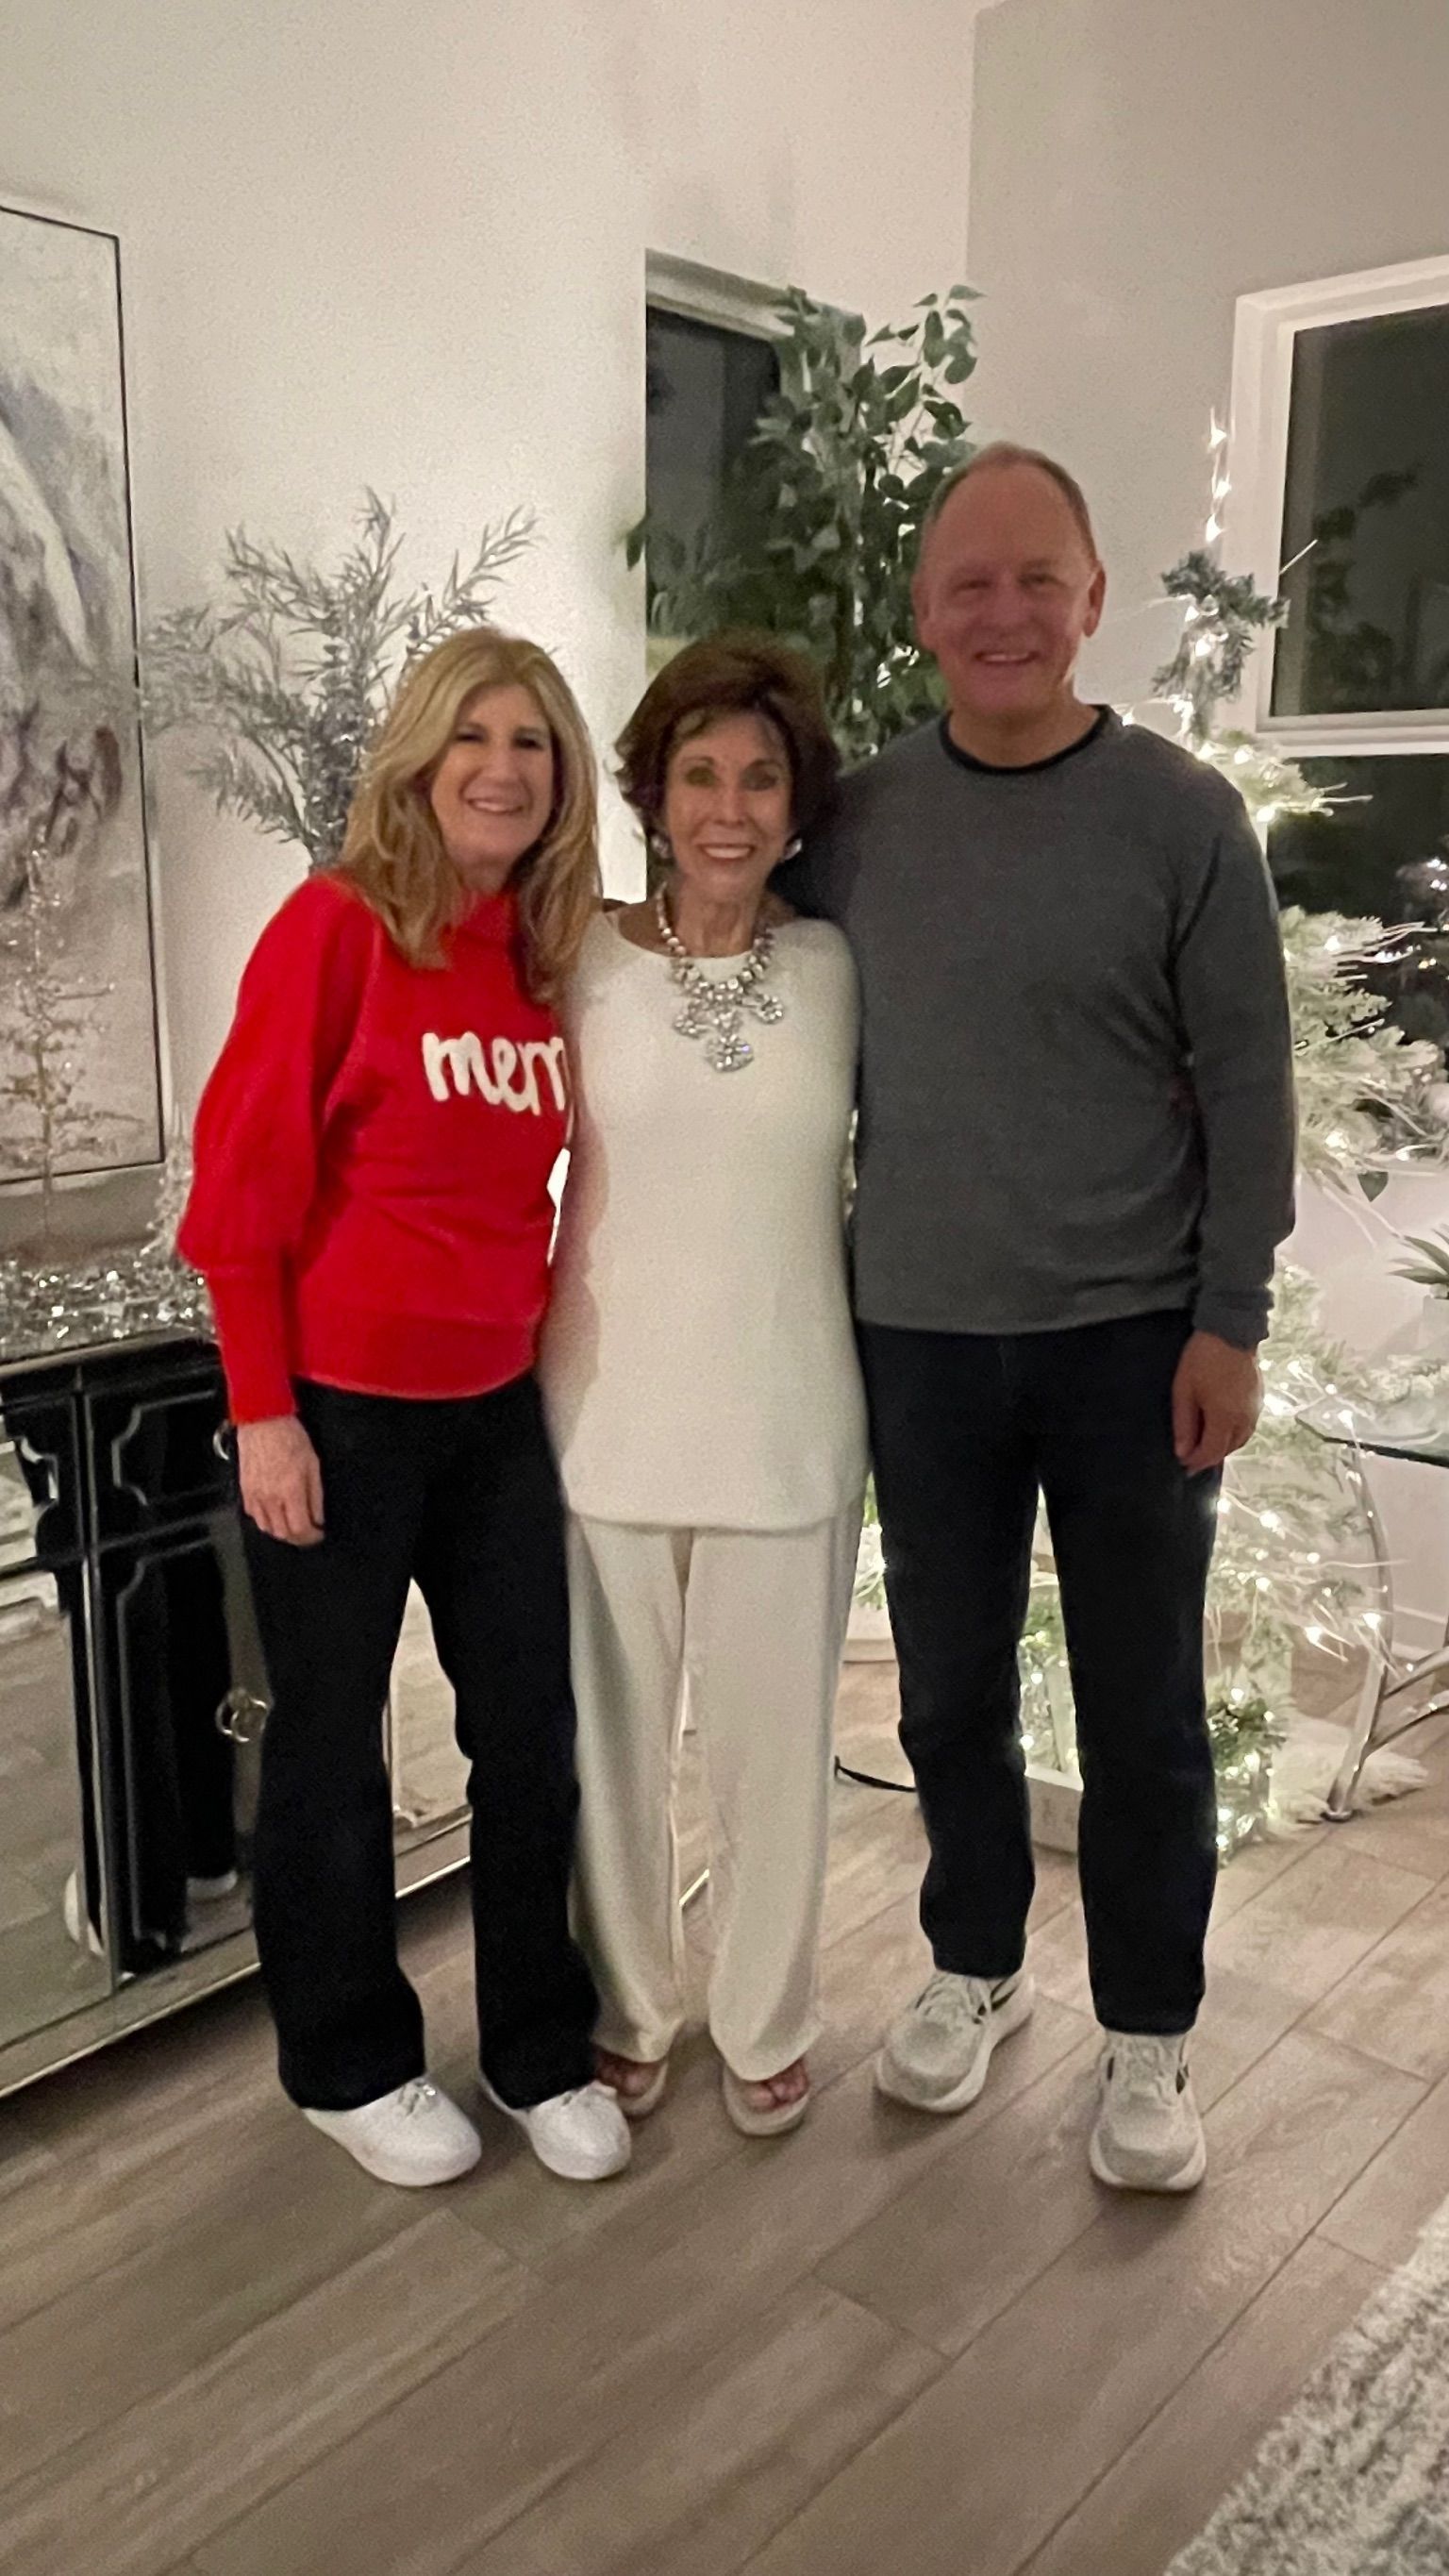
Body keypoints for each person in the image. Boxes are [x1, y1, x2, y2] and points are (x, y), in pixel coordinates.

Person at [790, 443, 1295, 2192]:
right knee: (945, 1689)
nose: (1002, 612)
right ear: (923, 611)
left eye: (1036, 579)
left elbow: (1250, 1080)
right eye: (968, 583)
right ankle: (975, 1963)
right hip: (919, 1338)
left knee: (1142, 1709)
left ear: (1093, 599)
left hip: (1134, 1345)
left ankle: (1149, 2030)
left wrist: (1231, 1317)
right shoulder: (855, 826)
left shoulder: (1182, 817)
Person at [179, 627, 630, 2189]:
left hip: (495, 1412)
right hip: (339, 1412)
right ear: (421, 762)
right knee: (329, 1749)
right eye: (473, 738)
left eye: (533, 742)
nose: (503, 768)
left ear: (562, 778)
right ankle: (347, 2061)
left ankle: (535, 2046)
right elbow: (240, 1186)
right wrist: (264, 1411)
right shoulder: (336, 928)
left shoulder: (547, 957)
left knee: (530, 1735)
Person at [540, 632, 867, 2137]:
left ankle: (765, 2015)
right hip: (604, 1402)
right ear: (654, 793)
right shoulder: (580, 958)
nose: (728, 808)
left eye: (760, 777)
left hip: (791, 1410)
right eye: (698, 774)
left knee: (772, 1751)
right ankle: (627, 2006)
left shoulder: (838, 968)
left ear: (797, 805)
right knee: (610, 1744)